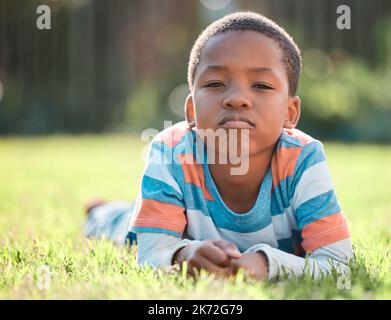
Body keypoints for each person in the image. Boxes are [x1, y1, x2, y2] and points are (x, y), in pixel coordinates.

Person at [84, 11, 353, 281]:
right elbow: (151, 254)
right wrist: (183, 256)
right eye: (215, 83)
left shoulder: (304, 160)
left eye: (260, 85)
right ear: (191, 110)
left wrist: (266, 264)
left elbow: (338, 262)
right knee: (122, 226)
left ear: (290, 112)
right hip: (162, 222)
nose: (236, 98)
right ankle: (101, 211)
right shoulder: (170, 153)